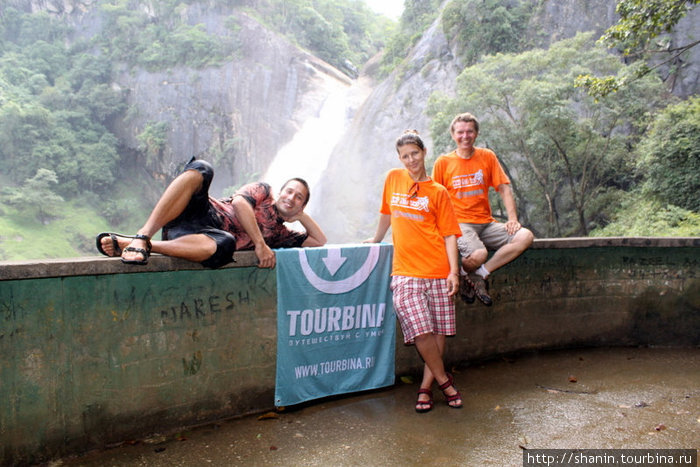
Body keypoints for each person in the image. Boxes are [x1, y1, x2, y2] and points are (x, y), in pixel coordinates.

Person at [365, 130, 463, 413]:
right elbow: (386, 212)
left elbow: (448, 235)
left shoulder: (438, 192)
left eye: (415, 154)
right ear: (400, 158)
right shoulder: (393, 178)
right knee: (420, 331)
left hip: (437, 269)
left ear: (424, 152)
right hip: (405, 270)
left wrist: (454, 272)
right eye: (405, 156)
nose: (411, 160)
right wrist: (375, 239)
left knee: (439, 332)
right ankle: (445, 381)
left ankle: (425, 387)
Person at [96, 157, 326, 269]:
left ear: (302, 205)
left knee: (227, 244)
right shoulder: (263, 192)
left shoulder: (283, 235)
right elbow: (239, 203)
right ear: (280, 192)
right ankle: (142, 235)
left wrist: (302, 216)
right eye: (289, 191)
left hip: (199, 241)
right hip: (200, 212)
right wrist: (259, 243)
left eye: (299, 198)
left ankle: (142, 245)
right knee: (202, 168)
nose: (291, 198)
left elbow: (319, 241)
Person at [432, 112, 534, 306]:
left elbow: (504, 188)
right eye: (460, 132)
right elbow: (434, 198)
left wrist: (512, 218)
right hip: (459, 224)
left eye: (469, 131)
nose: (465, 136)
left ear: (476, 134)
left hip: (486, 223)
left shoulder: (487, 156)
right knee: (479, 254)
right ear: (453, 135)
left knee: (525, 236)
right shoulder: (443, 163)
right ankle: (462, 275)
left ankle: (480, 274)